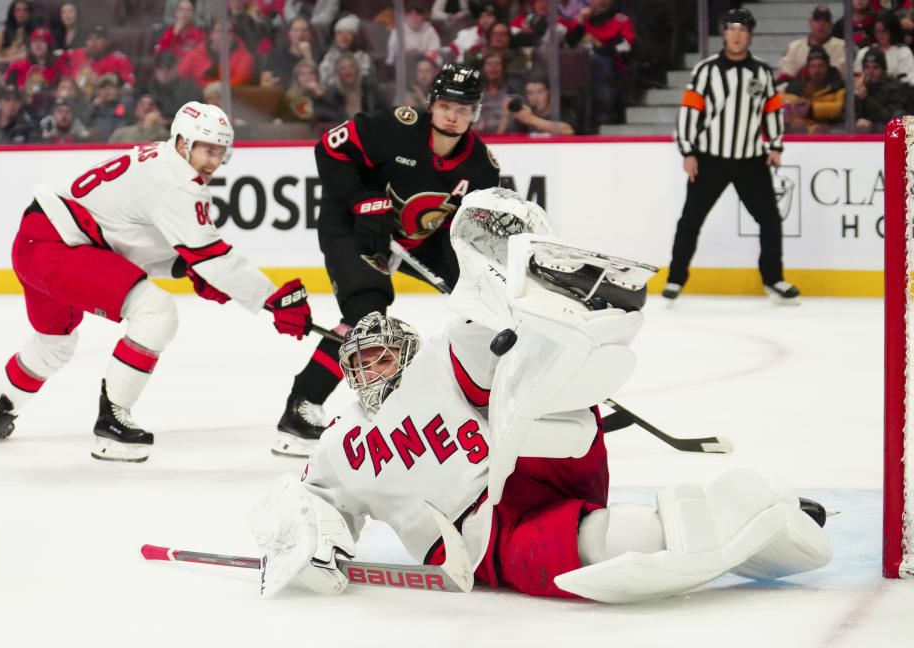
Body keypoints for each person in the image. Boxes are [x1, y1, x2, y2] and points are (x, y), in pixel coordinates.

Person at [247, 188, 832, 602]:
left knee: (544, 402)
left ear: (406, 349)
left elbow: (485, 364)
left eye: (383, 355)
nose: (373, 370)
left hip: (526, 459)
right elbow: (312, 497)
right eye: (360, 362)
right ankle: (729, 514)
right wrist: (312, 549)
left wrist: (520, 319)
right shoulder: (342, 440)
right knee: (589, 540)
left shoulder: (442, 357)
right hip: (483, 530)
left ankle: (725, 514)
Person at [0, 101, 314, 463]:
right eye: (208, 151)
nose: (214, 162)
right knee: (156, 311)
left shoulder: (160, 160)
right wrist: (273, 298)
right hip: (58, 250)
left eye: (220, 153)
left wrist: (185, 269)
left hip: (38, 242)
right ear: (184, 143)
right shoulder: (178, 184)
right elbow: (213, 258)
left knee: (55, 345)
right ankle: (111, 423)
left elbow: (125, 242)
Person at [273, 63, 501, 457]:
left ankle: (491, 397)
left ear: (475, 114)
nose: (453, 115)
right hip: (353, 223)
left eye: (463, 110)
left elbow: (466, 229)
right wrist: (362, 199)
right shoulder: (398, 127)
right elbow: (329, 147)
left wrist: (472, 279)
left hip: (417, 237)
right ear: (432, 104)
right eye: (447, 105)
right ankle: (300, 407)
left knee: (484, 301)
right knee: (366, 312)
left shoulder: (482, 166)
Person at [665, 8, 799, 304]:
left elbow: (773, 111)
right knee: (690, 221)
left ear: (749, 35)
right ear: (724, 33)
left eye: (742, 29)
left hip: (751, 160)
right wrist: (687, 151)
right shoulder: (706, 70)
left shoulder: (762, 71)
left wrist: (775, 145)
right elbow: (689, 112)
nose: (737, 34)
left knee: (770, 220)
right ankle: (675, 279)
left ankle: (774, 280)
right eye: (731, 28)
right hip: (710, 158)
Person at [779, 46, 845, 134]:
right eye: (813, 66)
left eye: (821, 66)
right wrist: (794, 104)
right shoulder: (795, 86)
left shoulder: (837, 86)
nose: (817, 71)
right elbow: (780, 101)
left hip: (823, 130)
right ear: (807, 69)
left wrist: (811, 109)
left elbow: (840, 108)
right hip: (796, 130)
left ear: (828, 68)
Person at [777, 5, 846, 87]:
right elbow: (784, 78)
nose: (821, 24)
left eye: (826, 20)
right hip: (799, 95)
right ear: (810, 23)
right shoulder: (794, 47)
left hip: (833, 94)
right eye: (817, 19)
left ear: (831, 24)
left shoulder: (843, 47)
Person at [178, 20, 256, 88]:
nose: (224, 35)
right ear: (211, 34)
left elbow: (239, 82)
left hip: (230, 99)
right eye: (219, 31)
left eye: (228, 31)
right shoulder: (196, 53)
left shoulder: (244, 56)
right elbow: (181, 75)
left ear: (234, 36)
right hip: (197, 98)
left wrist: (207, 87)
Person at [64, 24, 137, 95]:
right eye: (90, 38)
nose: (93, 42)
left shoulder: (119, 59)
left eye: (98, 38)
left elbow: (130, 87)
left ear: (107, 41)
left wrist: (108, 89)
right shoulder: (79, 55)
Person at [499, 71, 576, 135]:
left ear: (548, 92)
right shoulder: (522, 116)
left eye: (540, 92)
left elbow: (568, 131)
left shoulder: (562, 112)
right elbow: (501, 143)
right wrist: (505, 117)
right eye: (531, 93)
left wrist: (530, 119)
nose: (536, 97)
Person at [854, 47, 912, 132]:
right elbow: (847, 113)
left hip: (887, 130)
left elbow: (890, 115)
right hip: (862, 128)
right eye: (867, 67)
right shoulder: (860, 85)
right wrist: (857, 119)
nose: (870, 71)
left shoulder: (895, 87)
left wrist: (866, 98)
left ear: (883, 69)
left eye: (875, 67)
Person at [321, 53, 387, 123]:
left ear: (357, 69)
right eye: (343, 68)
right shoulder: (333, 94)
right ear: (338, 73)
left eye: (351, 66)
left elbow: (382, 112)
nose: (347, 70)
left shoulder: (370, 88)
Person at [259, 17, 322, 90]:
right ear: (289, 33)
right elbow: (264, 81)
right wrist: (268, 84)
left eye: (304, 30)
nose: (300, 34)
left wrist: (308, 55)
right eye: (295, 30)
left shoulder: (319, 53)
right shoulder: (276, 53)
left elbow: (319, 81)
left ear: (310, 34)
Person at [4, 28, 70, 96]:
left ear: (49, 46)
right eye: (35, 41)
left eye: (42, 41)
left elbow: (65, 88)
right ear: (30, 45)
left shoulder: (59, 65)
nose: (38, 44)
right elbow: (8, 91)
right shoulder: (17, 66)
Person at [855, 10, 914, 85]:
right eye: (877, 31)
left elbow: (908, 81)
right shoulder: (864, 52)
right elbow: (857, 79)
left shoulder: (903, 52)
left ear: (892, 31)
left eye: (884, 31)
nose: (880, 35)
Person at [141, 51, 202, 120]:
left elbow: (194, 116)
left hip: (180, 127)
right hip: (151, 127)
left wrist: (166, 122)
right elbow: (137, 115)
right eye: (159, 67)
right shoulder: (147, 88)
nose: (164, 71)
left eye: (168, 67)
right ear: (155, 69)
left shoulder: (190, 88)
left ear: (176, 67)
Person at [318, 14, 375, 87]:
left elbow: (366, 82)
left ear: (355, 37)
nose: (343, 37)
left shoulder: (363, 57)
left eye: (348, 33)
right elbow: (322, 80)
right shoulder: (329, 57)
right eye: (339, 33)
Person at [385, 1, 443, 67]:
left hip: (425, 66)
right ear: (406, 16)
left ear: (423, 17)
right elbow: (392, 55)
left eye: (418, 14)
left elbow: (436, 51)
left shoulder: (430, 30)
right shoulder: (398, 31)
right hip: (404, 67)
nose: (414, 18)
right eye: (411, 14)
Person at [82, 74, 134, 142]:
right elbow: (84, 123)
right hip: (100, 145)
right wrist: (94, 106)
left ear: (118, 89)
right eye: (104, 87)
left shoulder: (126, 102)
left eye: (111, 86)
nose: (107, 90)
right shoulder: (94, 105)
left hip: (121, 143)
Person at [0, 0, 33, 65]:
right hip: (4, 68)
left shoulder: (36, 33)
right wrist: (6, 60)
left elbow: (33, 55)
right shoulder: (2, 34)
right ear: (13, 13)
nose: (22, 13)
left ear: (29, 13)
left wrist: (11, 58)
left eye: (25, 10)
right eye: (18, 10)